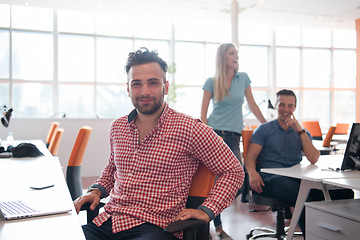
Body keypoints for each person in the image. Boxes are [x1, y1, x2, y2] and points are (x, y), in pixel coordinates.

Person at [73, 47, 244, 240]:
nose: (144, 91)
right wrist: (97, 190)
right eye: (136, 84)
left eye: (153, 83)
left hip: (155, 227)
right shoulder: (118, 127)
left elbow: (233, 171)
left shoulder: (190, 128)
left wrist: (208, 210)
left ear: (166, 86)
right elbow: (113, 167)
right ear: (128, 88)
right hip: (109, 222)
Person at [245, 89, 354, 235]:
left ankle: (332, 234)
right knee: (301, 194)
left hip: (297, 179)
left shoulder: (302, 132)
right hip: (270, 180)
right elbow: (250, 158)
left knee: (344, 193)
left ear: (295, 108)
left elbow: (314, 158)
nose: (286, 109)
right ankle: (310, 236)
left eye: (290, 106)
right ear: (276, 106)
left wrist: (300, 131)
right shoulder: (264, 130)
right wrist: (252, 173)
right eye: (282, 105)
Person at [200, 42, 266, 239]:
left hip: (233, 136)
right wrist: (205, 136)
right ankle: (217, 226)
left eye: (236, 52)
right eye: (231, 53)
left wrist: (266, 124)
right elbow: (203, 112)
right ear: (223, 57)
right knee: (213, 182)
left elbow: (252, 104)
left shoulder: (243, 78)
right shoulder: (211, 81)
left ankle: (209, 215)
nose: (236, 56)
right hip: (214, 134)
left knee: (237, 182)